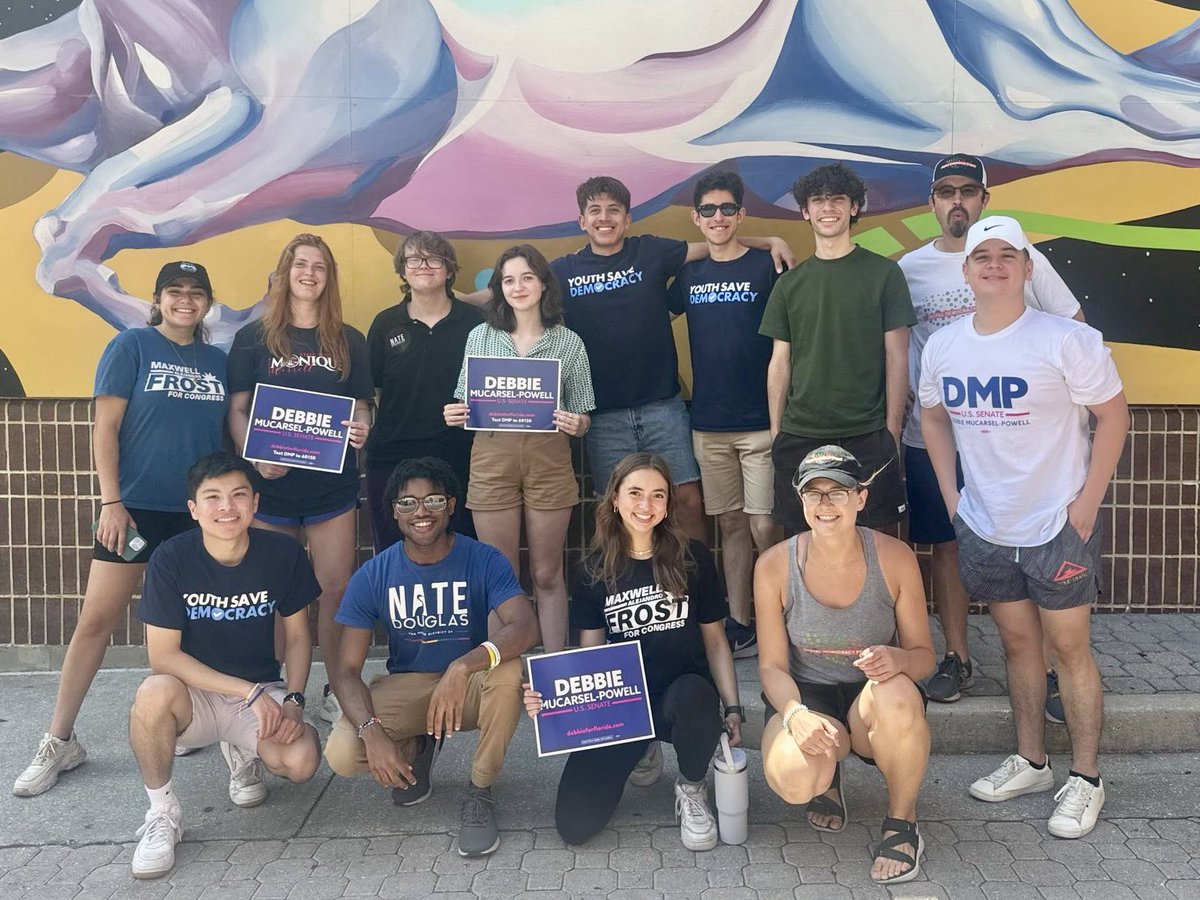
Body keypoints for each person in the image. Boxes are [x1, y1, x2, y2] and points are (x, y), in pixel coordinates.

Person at [920, 216, 1128, 839]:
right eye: (981, 255)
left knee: (1069, 651)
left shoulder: (1065, 340)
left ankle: (1086, 778)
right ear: (966, 272)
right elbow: (931, 418)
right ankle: (1033, 761)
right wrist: (953, 495)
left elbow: (1114, 419)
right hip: (986, 526)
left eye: (1007, 255)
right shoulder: (945, 345)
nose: (993, 264)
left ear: (1027, 268)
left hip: (1056, 525)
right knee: (1018, 647)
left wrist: (1086, 507)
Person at [14, 261, 228, 798]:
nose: (185, 300)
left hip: (196, 514)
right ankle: (59, 739)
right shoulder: (131, 346)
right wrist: (111, 500)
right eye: (174, 291)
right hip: (133, 511)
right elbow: (104, 426)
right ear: (158, 299)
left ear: (207, 303)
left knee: (198, 624)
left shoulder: (219, 362)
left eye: (195, 293)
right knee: (96, 620)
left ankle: (196, 723)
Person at [900, 154, 1084, 709]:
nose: (957, 200)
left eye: (968, 190)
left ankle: (1049, 670)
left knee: (1033, 550)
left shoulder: (1026, 262)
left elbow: (1073, 328)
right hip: (935, 435)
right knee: (948, 546)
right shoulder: (909, 269)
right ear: (931, 202)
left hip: (1014, 440)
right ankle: (958, 658)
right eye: (945, 191)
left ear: (985, 200)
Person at [548, 175, 794, 542]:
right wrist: (444, 299)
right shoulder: (563, 271)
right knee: (612, 510)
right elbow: (511, 285)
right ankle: (623, 592)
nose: (605, 218)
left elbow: (717, 243)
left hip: (664, 407)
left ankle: (696, 590)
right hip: (604, 414)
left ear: (628, 219)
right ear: (582, 221)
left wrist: (769, 241)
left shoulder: (650, 252)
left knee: (688, 502)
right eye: (595, 211)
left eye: (614, 210)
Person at [523, 452, 744, 851]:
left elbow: (714, 640)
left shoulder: (693, 558)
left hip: (684, 694)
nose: (646, 506)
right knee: (573, 826)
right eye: (636, 493)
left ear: (668, 504)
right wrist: (553, 701)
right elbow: (589, 660)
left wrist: (732, 707)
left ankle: (692, 788)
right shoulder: (592, 569)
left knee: (694, 695)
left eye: (658, 496)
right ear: (615, 499)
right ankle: (644, 746)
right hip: (624, 707)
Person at [324, 457, 538, 858]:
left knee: (510, 669)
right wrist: (373, 732)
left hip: (469, 685)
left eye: (433, 500)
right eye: (407, 503)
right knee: (342, 754)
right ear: (394, 513)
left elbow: (524, 627)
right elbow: (346, 670)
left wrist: (463, 666)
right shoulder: (373, 574)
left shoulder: (483, 558)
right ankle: (415, 750)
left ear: (452, 505)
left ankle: (480, 790)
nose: (421, 511)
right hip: (409, 683)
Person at [127, 453, 322, 879]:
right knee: (152, 693)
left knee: (302, 761)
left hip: (258, 691)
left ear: (255, 501)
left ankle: (242, 750)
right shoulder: (171, 558)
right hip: (195, 697)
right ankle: (162, 814)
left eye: (237, 495)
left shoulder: (282, 553)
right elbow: (163, 657)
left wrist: (292, 699)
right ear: (193, 510)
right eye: (212, 497)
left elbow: (297, 635)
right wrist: (245, 692)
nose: (226, 507)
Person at [755, 445, 935, 885]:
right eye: (813, 493)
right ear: (801, 501)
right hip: (808, 695)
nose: (825, 504)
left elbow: (925, 658)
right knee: (795, 781)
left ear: (861, 498)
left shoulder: (894, 558)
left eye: (837, 492)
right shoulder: (775, 565)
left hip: (870, 700)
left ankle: (902, 823)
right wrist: (794, 715)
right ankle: (828, 778)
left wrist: (898, 659)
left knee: (896, 691)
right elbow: (771, 667)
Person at [227, 233, 373, 723]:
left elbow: (361, 404)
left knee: (336, 589)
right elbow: (239, 410)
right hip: (270, 486)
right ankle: (272, 690)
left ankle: (335, 688)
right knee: (274, 593)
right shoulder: (252, 338)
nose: (309, 273)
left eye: (320, 267)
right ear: (284, 273)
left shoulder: (349, 340)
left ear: (329, 279)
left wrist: (363, 426)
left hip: (330, 486)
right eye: (300, 265)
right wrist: (255, 453)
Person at [443, 244, 594, 652]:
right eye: (509, 279)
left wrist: (578, 422)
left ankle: (555, 667)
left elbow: (582, 416)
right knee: (501, 575)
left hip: (549, 460)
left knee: (547, 573)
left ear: (544, 284)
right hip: (492, 458)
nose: (518, 286)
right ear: (499, 288)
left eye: (527, 277)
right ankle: (503, 675)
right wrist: (455, 413)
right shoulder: (480, 337)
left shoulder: (568, 342)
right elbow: (465, 402)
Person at [760, 162, 915, 538]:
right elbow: (780, 362)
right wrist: (778, 432)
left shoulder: (884, 274)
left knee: (878, 545)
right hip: (801, 433)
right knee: (802, 545)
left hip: (868, 433)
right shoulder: (789, 284)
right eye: (818, 200)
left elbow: (897, 357)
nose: (828, 208)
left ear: (855, 207)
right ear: (805, 211)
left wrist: (891, 430)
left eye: (837, 199)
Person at [668, 170, 782, 658]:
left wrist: (771, 239)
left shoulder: (767, 266)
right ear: (697, 217)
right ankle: (740, 623)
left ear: (740, 213)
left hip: (760, 421)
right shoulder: (688, 275)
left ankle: (781, 617)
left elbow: (785, 347)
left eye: (727, 209)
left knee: (763, 525)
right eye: (708, 210)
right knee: (731, 525)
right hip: (708, 423)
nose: (718, 218)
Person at [368, 232, 483, 549]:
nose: (424, 266)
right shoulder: (384, 324)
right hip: (392, 456)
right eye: (414, 259)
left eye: (434, 259)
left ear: (449, 269)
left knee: (460, 552)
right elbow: (375, 391)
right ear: (403, 270)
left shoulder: (475, 323)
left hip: (459, 456)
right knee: (393, 555)